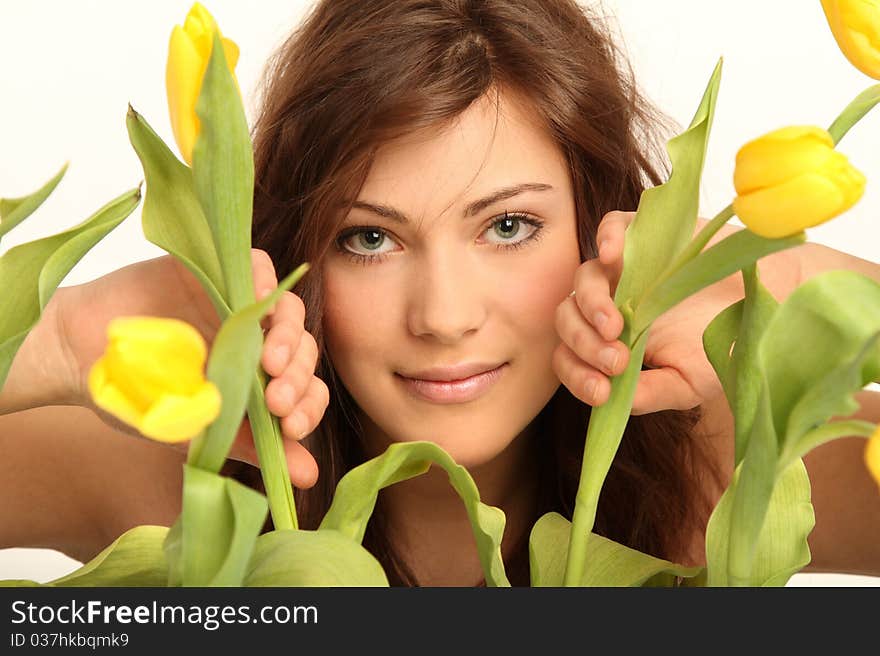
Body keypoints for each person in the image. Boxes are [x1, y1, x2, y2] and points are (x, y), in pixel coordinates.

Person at [2, 0, 879, 586]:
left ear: (603, 225)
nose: (445, 316)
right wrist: (57, 339)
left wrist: (817, 286)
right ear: (296, 248)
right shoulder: (184, 479)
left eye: (507, 227)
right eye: (370, 239)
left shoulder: (727, 468)